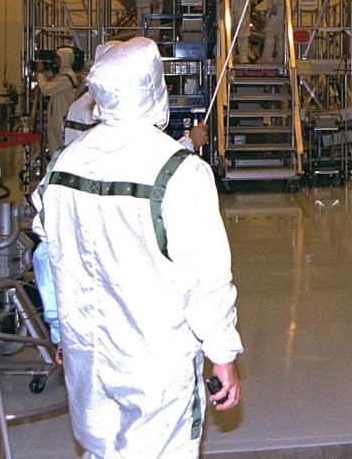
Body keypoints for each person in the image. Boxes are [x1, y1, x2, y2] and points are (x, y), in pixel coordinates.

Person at [32, 38, 241, 457]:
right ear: (154, 87)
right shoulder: (180, 172)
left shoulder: (63, 164)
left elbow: (45, 260)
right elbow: (205, 277)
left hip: (86, 354)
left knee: (98, 450)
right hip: (155, 360)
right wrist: (222, 354)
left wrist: (59, 330)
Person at [36, 46, 80, 157]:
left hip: (61, 118)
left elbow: (46, 90)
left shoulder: (67, 77)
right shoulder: (61, 75)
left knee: (61, 149)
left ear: (64, 58)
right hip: (57, 117)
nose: (55, 60)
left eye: (58, 57)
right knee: (55, 148)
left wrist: (40, 73)